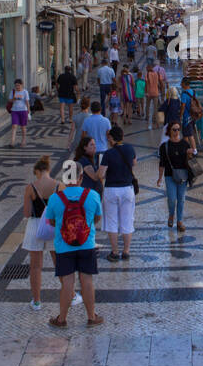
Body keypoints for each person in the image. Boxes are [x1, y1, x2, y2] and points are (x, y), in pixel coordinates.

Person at [44, 175, 104, 329]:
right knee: (87, 281)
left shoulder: (55, 198)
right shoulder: (92, 195)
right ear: (81, 177)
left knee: (67, 283)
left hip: (64, 246)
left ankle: (61, 319)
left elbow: (51, 221)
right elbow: (97, 218)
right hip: (87, 244)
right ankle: (91, 317)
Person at [22, 155, 61, 312]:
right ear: (49, 170)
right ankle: (70, 294)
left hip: (35, 226)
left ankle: (37, 301)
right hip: (53, 225)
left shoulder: (30, 187)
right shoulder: (59, 185)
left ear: (37, 171)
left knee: (35, 267)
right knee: (59, 263)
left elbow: (26, 213)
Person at [101, 125, 137, 262]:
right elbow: (134, 163)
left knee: (112, 221)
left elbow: (101, 173)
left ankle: (115, 252)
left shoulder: (108, 153)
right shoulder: (130, 148)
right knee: (127, 220)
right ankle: (126, 251)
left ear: (111, 138)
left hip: (111, 189)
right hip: (127, 189)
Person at [157, 121, 195, 233]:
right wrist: (159, 178)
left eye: (178, 129)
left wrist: (190, 153)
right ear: (169, 131)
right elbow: (162, 163)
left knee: (181, 199)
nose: (177, 132)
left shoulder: (184, 144)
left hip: (183, 175)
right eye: (174, 129)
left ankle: (179, 221)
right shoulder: (164, 146)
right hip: (170, 175)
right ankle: (171, 215)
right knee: (172, 199)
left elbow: (190, 159)